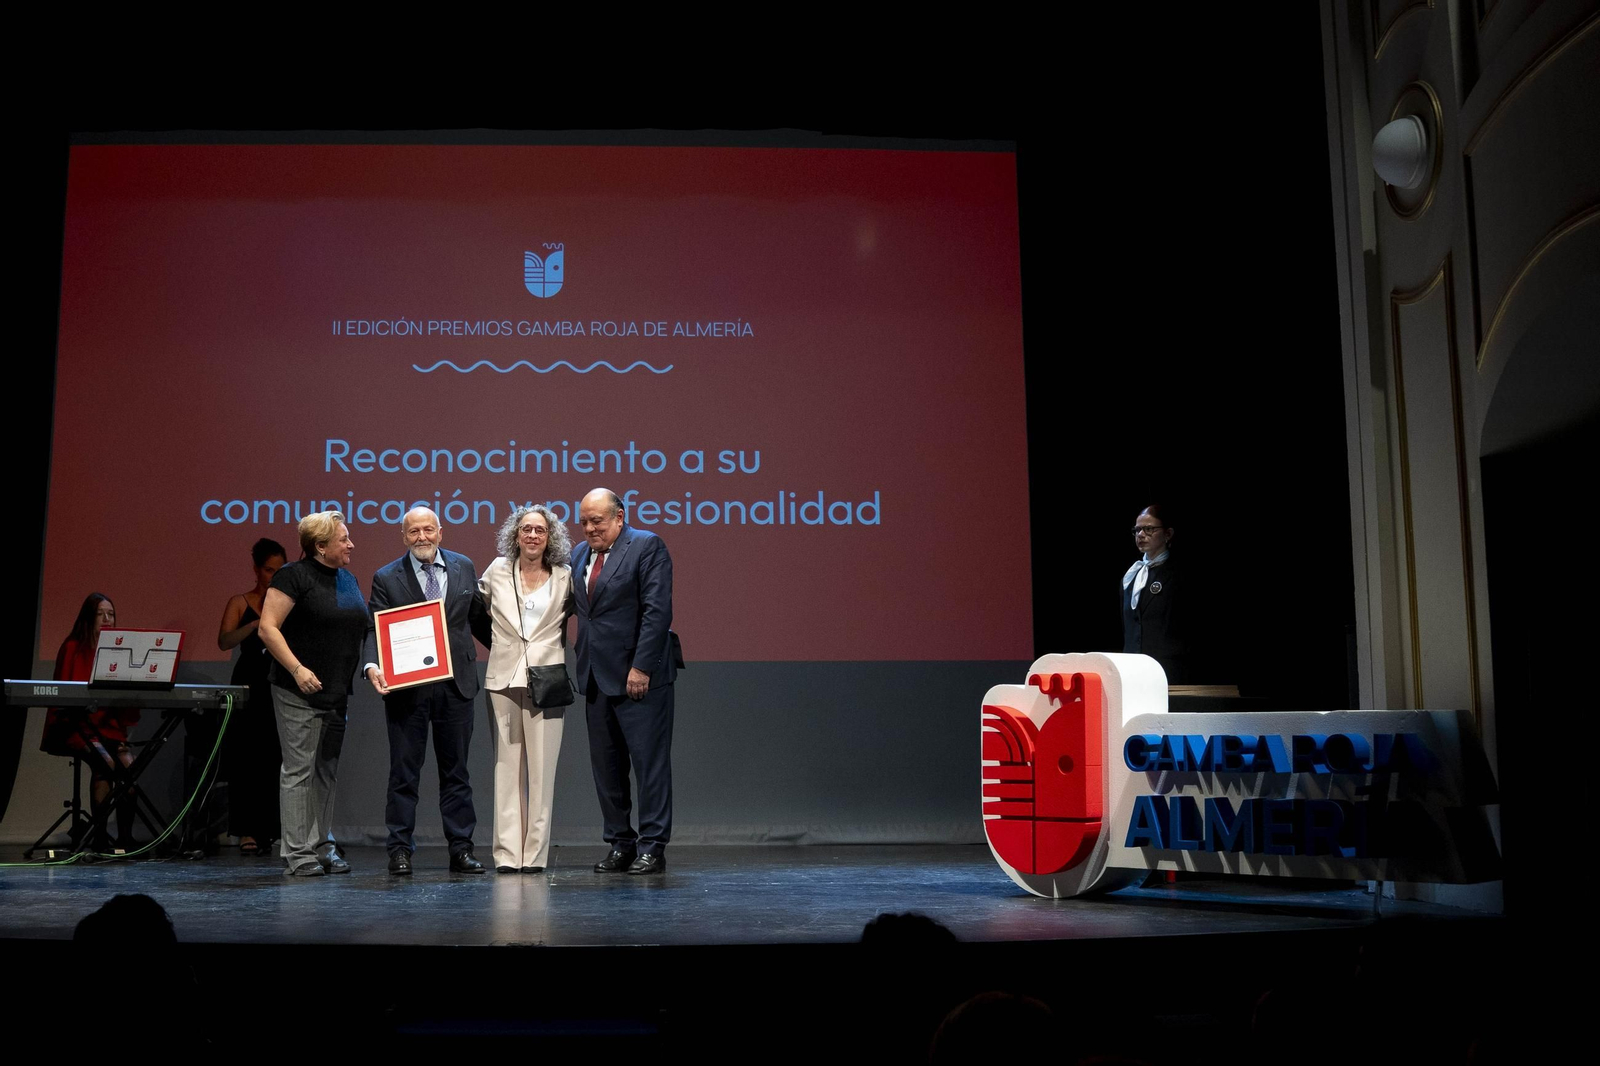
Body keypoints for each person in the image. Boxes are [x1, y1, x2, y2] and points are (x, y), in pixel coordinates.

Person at [362, 507, 492, 876]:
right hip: (409, 690)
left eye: (428, 530)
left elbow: (478, 619)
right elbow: (376, 627)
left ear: (440, 532)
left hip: (457, 685)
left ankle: (461, 849)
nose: (422, 537)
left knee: (457, 774)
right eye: (414, 531)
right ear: (403, 536)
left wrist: (514, 652)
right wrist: (372, 664)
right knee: (404, 774)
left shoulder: (464, 566)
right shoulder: (387, 576)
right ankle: (400, 850)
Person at [572, 487, 678, 875]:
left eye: (596, 520)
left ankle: (653, 846)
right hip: (596, 677)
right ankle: (621, 843)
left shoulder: (647, 546)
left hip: (640, 679)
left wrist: (642, 667)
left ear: (619, 517)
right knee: (607, 769)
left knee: (649, 766)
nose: (589, 528)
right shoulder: (579, 556)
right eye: (583, 521)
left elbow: (657, 610)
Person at [257, 511, 368, 877]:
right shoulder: (293, 575)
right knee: (299, 771)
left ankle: (322, 847)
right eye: (343, 539)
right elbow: (268, 628)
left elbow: (362, 630)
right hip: (298, 691)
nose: (351, 544)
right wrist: (298, 669)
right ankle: (297, 854)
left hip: (336, 693)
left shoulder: (348, 579)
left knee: (326, 771)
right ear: (320, 546)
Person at [477, 505, 576, 873]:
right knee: (506, 768)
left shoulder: (565, 576)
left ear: (550, 537)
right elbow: (479, 611)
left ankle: (533, 856)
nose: (532, 535)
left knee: (542, 771)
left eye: (540, 530)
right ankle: (506, 855)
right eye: (526, 529)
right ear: (515, 535)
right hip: (503, 677)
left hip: (547, 680)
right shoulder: (496, 571)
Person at [40, 593, 137, 847]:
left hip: (108, 728)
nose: (107, 619)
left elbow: (124, 703)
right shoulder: (73, 646)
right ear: (88, 618)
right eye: (100, 614)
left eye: (111, 614)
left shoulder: (119, 649)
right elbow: (64, 697)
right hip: (76, 727)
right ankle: (100, 837)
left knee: (128, 764)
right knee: (104, 761)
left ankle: (126, 839)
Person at [215, 538, 287, 856]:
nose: (275, 575)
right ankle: (245, 830)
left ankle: (271, 829)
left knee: (274, 758)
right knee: (245, 759)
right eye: (270, 570)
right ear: (257, 570)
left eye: (280, 570)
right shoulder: (240, 601)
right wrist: (259, 623)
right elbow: (224, 641)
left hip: (278, 683)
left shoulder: (288, 602)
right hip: (248, 684)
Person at [1122, 504, 1187, 683]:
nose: (1141, 535)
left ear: (1168, 534)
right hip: (1134, 669)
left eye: (1149, 529)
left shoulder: (1178, 575)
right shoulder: (1131, 576)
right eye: (1137, 530)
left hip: (1168, 671)